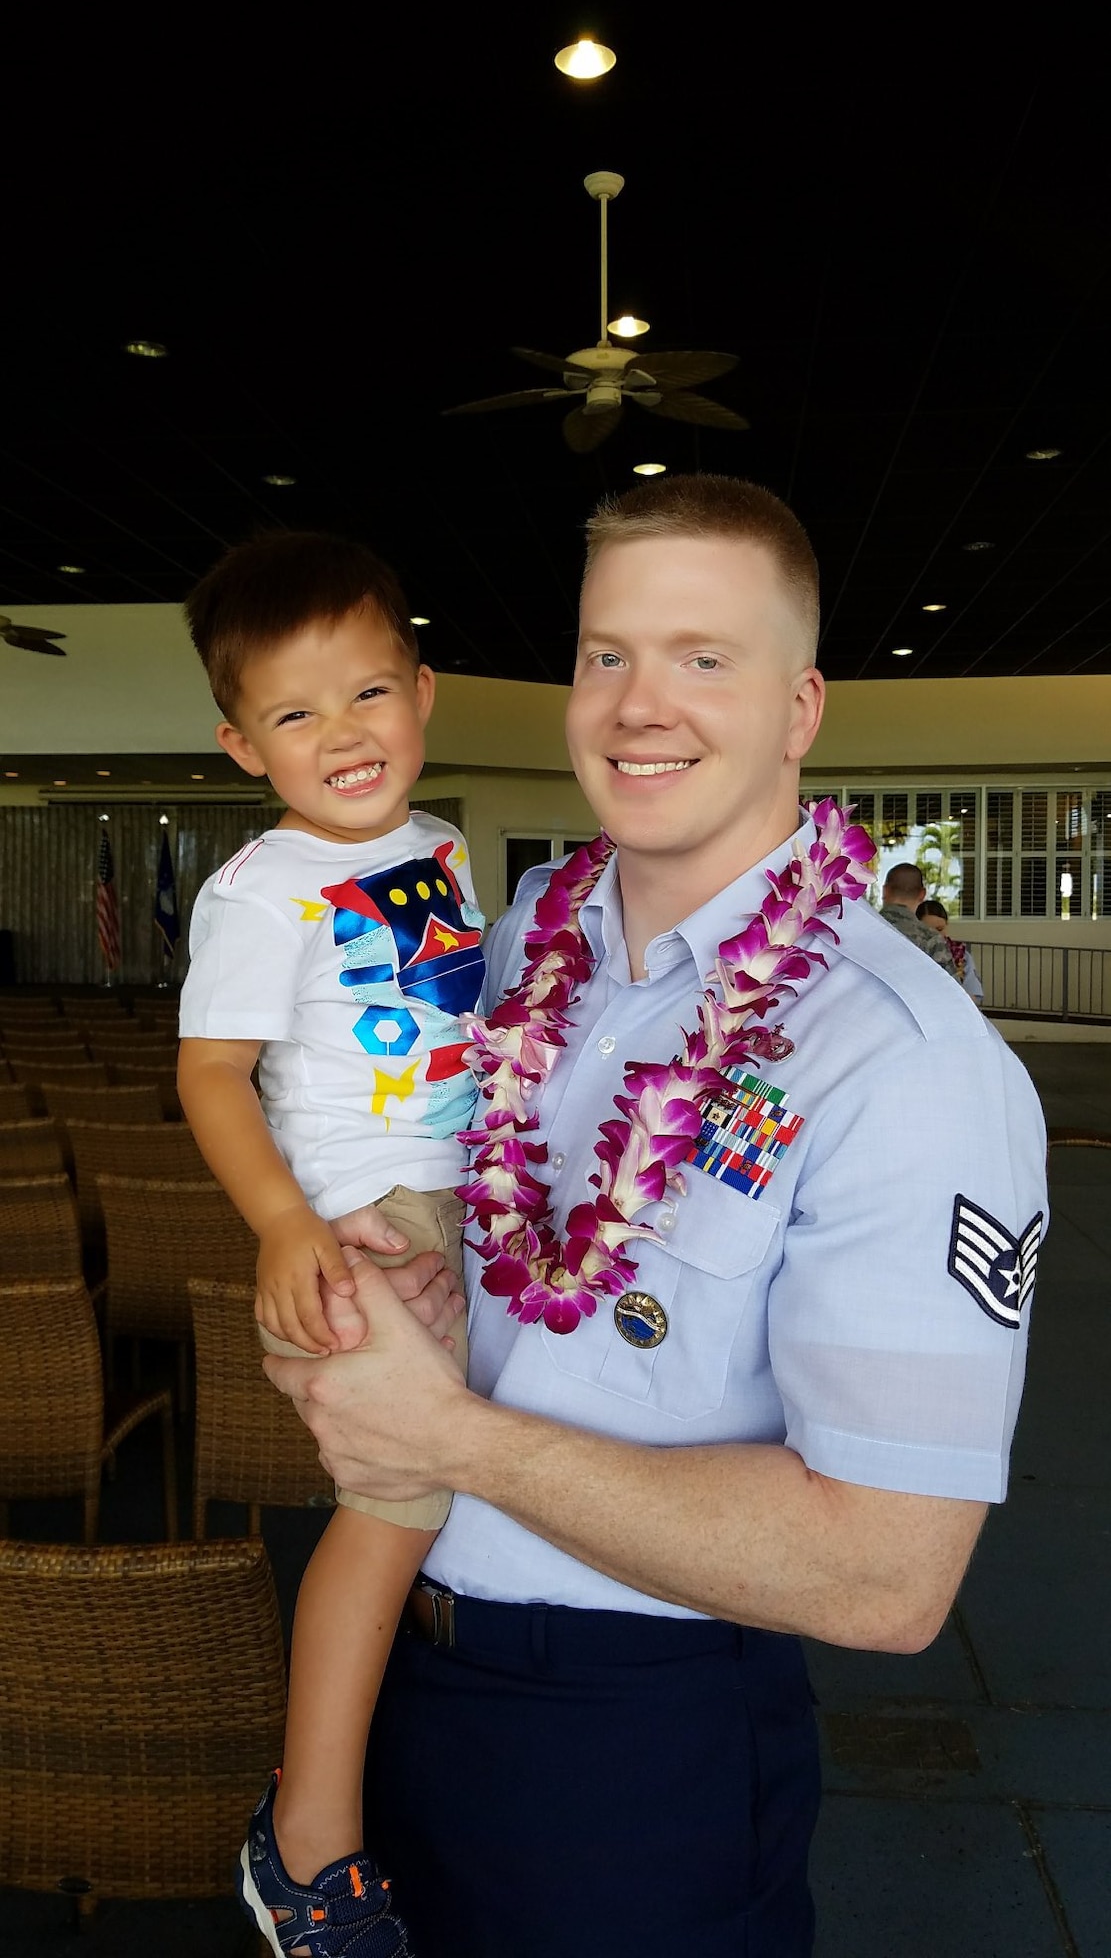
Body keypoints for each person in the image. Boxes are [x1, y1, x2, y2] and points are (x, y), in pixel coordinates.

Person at [265, 476, 1048, 1958]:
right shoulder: (503, 949)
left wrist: (445, 1440)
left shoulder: (903, 1061)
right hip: (396, 1670)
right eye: (604, 654)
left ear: (799, 706)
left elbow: (886, 1576)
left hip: (631, 1743)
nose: (639, 704)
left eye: (703, 658)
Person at [177, 530, 485, 1958]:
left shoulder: (438, 848)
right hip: (357, 1229)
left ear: (421, 694)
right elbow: (207, 1076)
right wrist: (286, 1225)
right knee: (388, 1516)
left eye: (365, 694)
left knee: (461, 1499)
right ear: (244, 746)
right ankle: (305, 1844)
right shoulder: (261, 889)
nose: (341, 734)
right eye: (295, 714)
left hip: (455, 1210)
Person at [879, 861, 961, 976]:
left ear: (885, 891)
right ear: (922, 894)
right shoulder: (931, 940)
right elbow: (950, 991)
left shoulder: (862, 930)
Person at [918, 897, 985, 1004]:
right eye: (928, 931)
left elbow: (974, 995)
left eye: (940, 929)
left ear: (947, 925)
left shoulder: (962, 956)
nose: (936, 935)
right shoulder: (911, 955)